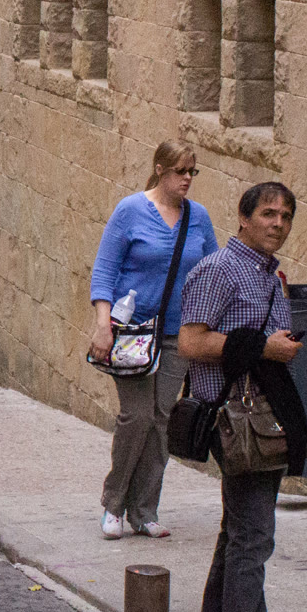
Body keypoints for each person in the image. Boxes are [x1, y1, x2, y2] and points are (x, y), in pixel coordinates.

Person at [178, 182, 307, 612]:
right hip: (236, 420)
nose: (278, 224)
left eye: (286, 216)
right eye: (268, 213)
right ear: (243, 217)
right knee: (253, 537)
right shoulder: (219, 270)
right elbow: (191, 342)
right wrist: (262, 347)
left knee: (238, 530)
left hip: (265, 416)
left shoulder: (269, 275)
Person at [90, 139, 219, 539]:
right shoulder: (130, 211)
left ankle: (145, 510)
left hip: (179, 335)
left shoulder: (198, 217)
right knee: (138, 416)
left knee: (161, 419)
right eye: (180, 171)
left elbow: (213, 270)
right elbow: (105, 271)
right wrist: (103, 324)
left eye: (192, 172)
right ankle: (114, 503)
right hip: (133, 333)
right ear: (160, 169)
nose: (187, 179)